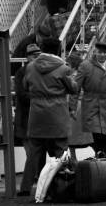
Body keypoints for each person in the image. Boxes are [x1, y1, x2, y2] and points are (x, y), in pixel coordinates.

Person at [23, 38, 78, 172]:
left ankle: (25, 187)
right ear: (58, 50)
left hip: (37, 115)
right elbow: (74, 88)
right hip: (57, 114)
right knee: (61, 152)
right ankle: (61, 184)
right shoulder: (63, 68)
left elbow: (25, 86)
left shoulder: (30, 67)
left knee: (33, 153)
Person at [73, 36, 106, 157]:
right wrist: (72, 107)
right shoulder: (85, 66)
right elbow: (76, 88)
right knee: (97, 137)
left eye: (104, 52)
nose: (102, 55)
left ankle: (105, 166)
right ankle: (100, 161)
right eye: (99, 52)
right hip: (92, 106)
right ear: (94, 52)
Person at [14, 43, 46, 196]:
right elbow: (21, 94)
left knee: (35, 154)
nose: (37, 58)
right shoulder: (22, 72)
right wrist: (41, 97)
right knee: (33, 154)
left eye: (38, 55)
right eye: (34, 56)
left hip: (35, 118)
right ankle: (34, 185)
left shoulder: (34, 71)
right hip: (27, 118)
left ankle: (35, 185)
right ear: (27, 57)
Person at [66, 51, 92, 163]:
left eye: (67, 64)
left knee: (71, 138)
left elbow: (72, 93)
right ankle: (73, 159)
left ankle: (73, 160)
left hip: (75, 108)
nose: (66, 66)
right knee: (82, 138)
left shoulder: (73, 77)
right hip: (81, 107)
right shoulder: (81, 75)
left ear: (73, 65)